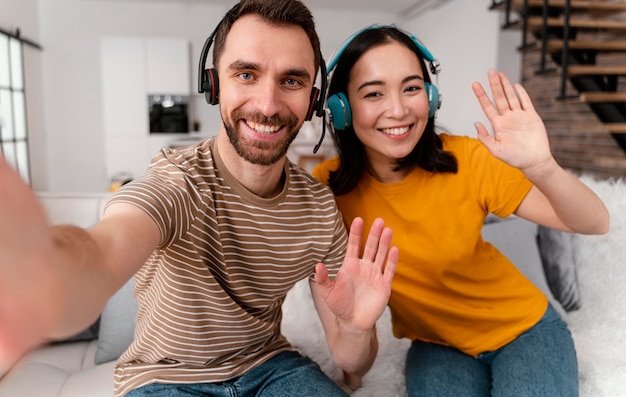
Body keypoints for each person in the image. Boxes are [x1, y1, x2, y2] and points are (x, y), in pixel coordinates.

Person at [0, 2, 400, 396]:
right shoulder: (175, 181)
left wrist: (356, 328)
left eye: (292, 81)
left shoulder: (316, 206)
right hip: (165, 379)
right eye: (246, 74)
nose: (267, 105)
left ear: (314, 100)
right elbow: (104, 251)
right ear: (214, 83)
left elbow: (352, 361)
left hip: (271, 367)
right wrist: (43, 267)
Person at [312, 25, 609, 397]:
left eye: (411, 88)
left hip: (525, 329)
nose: (399, 109)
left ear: (431, 96)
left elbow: (595, 221)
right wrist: (352, 372)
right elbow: (348, 340)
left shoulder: (467, 159)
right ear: (341, 109)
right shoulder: (326, 190)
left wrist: (542, 166)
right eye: (373, 93)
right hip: (436, 345)